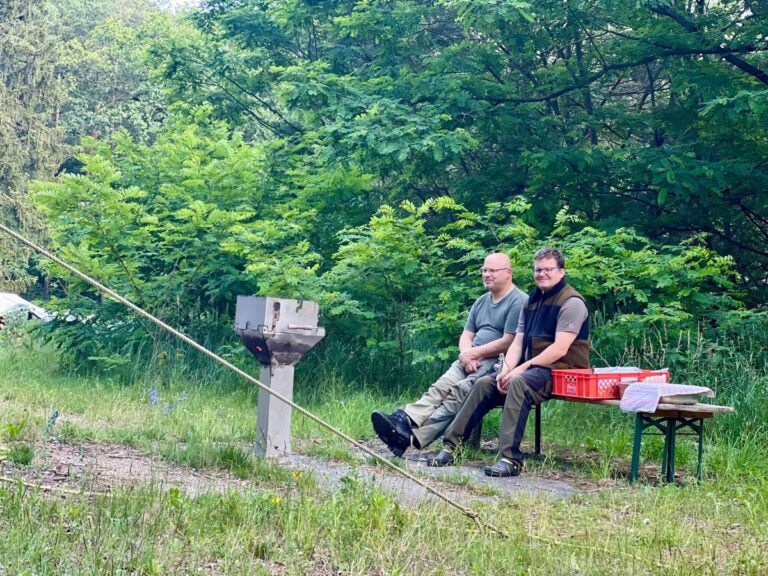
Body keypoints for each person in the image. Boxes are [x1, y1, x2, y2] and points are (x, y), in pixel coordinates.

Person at [429, 247, 589, 477]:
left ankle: (510, 459)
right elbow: (517, 343)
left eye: (548, 269)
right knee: (485, 382)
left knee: (519, 383)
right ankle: (452, 447)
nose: (542, 274)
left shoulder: (572, 303)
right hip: (532, 367)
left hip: (562, 370)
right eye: (538, 270)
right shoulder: (531, 302)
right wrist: (505, 371)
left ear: (561, 272)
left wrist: (520, 369)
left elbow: (559, 349)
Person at [371, 252, 528, 457]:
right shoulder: (481, 301)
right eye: (484, 270)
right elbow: (467, 334)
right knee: (440, 387)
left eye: (492, 270)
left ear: (508, 273)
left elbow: (509, 341)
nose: (486, 274)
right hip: (469, 358)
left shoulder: (518, 301)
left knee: (458, 393)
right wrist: (466, 355)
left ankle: (411, 438)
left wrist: (473, 353)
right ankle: (403, 419)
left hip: (497, 363)